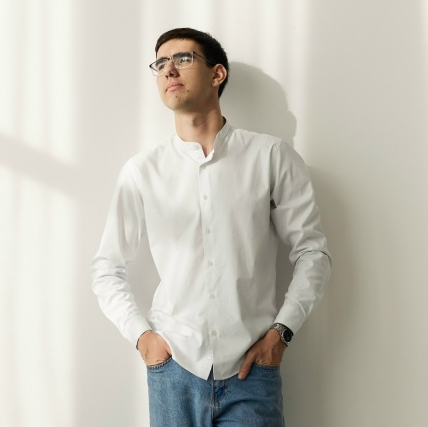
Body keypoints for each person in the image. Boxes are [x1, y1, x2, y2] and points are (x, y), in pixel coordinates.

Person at [91, 27, 331, 426]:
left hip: (252, 370)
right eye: (160, 64)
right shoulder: (142, 171)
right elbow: (106, 268)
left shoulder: (270, 156)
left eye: (182, 59)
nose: (169, 70)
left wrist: (281, 333)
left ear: (217, 74)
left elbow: (312, 253)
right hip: (174, 371)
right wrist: (143, 338)